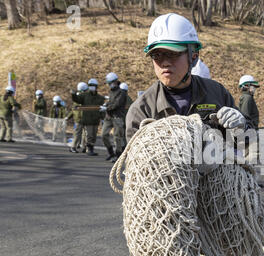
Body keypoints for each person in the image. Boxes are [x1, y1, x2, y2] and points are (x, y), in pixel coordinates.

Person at [126, 12, 248, 146]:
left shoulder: (217, 93)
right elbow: (135, 162)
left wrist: (241, 128)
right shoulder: (142, 109)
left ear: (193, 57)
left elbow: (246, 141)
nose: (165, 63)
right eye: (157, 55)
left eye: (172, 54)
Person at [72, 78, 105, 156]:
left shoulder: (100, 98)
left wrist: (102, 118)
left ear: (96, 87)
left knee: (94, 135)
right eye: (90, 85)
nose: (92, 87)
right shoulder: (84, 95)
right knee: (89, 135)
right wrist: (73, 95)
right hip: (87, 119)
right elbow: (77, 100)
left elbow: (101, 109)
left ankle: (90, 148)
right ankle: (89, 149)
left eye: (93, 86)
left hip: (96, 119)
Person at [102, 73, 127, 162]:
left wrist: (107, 107)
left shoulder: (122, 92)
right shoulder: (111, 91)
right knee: (104, 135)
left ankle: (118, 155)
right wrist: (106, 104)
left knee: (117, 137)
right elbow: (111, 102)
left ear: (115, 81)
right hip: (109, 116)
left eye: (110, 83)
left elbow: (117, 104)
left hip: (117, 117)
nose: (109, 85)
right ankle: (111, 153)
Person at [68, 82, 88, 153]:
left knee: (84, 133)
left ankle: (84, 147)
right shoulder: (80, 97)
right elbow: (74, 109)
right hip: (79, 118)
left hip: (82, 117)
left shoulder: (81, 96)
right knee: (78, 133)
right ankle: (73, 147)